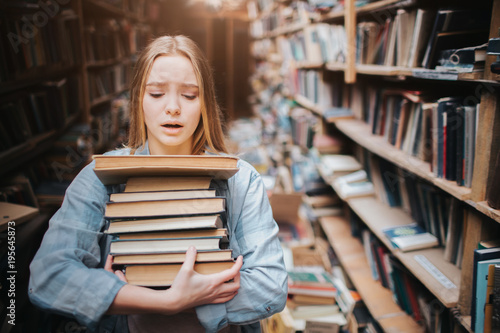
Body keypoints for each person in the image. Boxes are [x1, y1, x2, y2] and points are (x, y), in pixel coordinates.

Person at [29, 35, 288, 333]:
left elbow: (271, 287)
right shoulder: (99, 176)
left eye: (190, 95)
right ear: (139, 99)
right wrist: (166, 302)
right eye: (156, 94)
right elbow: (48, 277)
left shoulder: (242, 178)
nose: (173, 108)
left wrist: (140, 298)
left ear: (204, 103)